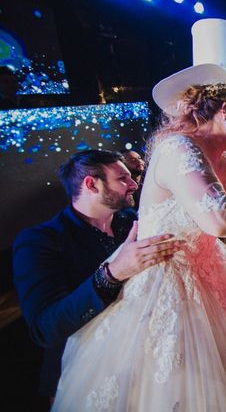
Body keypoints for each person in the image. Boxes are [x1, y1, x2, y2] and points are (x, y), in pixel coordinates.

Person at [51, 19, 226, 410]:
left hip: (211, 273)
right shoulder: (179, 149)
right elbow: (221, 217)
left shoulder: (223, 157)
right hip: (168, 284)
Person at [12, 150, 183, 400]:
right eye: (123, 179)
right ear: (91, 184)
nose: (134, 184)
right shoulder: (41, 241)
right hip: (82, 377)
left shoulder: (132, 221)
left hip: (145, 364)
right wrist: (112, 274)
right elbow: (45, 328)